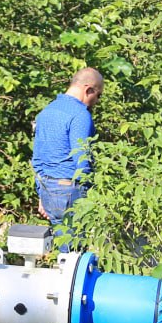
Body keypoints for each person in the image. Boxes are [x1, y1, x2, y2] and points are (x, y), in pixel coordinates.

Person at [31, 67, 103, 229]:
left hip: (48, 188)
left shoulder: (46, 111)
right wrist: (93, 193)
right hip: (71, 191)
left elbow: (37, 159)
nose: (97, 101)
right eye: (99, 95)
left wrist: (42, 193)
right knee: (76, 250)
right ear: (88, 90)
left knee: (63, 244)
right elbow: (82, 159)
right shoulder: (80, 115)